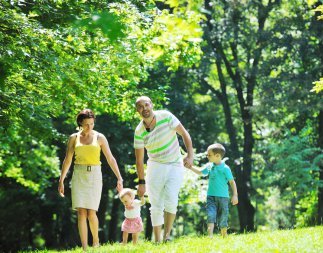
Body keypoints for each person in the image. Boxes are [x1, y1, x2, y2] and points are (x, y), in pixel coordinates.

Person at [58, 109, 124, 250]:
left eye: (92, 124)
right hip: (78, 175)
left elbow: (110, 159)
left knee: (91, 211)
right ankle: (84, 248)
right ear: (80, 123)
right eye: (86, 124)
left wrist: (119, 177)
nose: (89, 127)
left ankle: (95, 242)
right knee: (81, 212)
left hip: (94, 175)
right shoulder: (73, 138)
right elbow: (67, 160)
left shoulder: (100, 137)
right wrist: (61, 180)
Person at [133, 96, 194, 243]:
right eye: (140, 107)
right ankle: (157, 239)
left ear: (152, 105)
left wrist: (190, 155)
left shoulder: (166, 117)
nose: (144, 108)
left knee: (171, 199)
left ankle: (167, 236)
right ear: (137, 111)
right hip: (155, 165)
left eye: (146, 104)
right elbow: (139, 160)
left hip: (175, 164)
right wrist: (141, 182)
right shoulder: (139, 131)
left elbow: (184, 134)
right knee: (156, 203)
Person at [186, 143, 238, 237]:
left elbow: (232, 182)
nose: (207, 156)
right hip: (211, 196)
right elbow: (201, 172)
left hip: (223, 197)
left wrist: (235, 195)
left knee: (223, 217)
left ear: (217, 156)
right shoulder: (210, 166)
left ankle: (224, 235)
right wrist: (190, 167)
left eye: (209, 155)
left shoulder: (225, 168)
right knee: (210, 214)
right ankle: (210, 236)